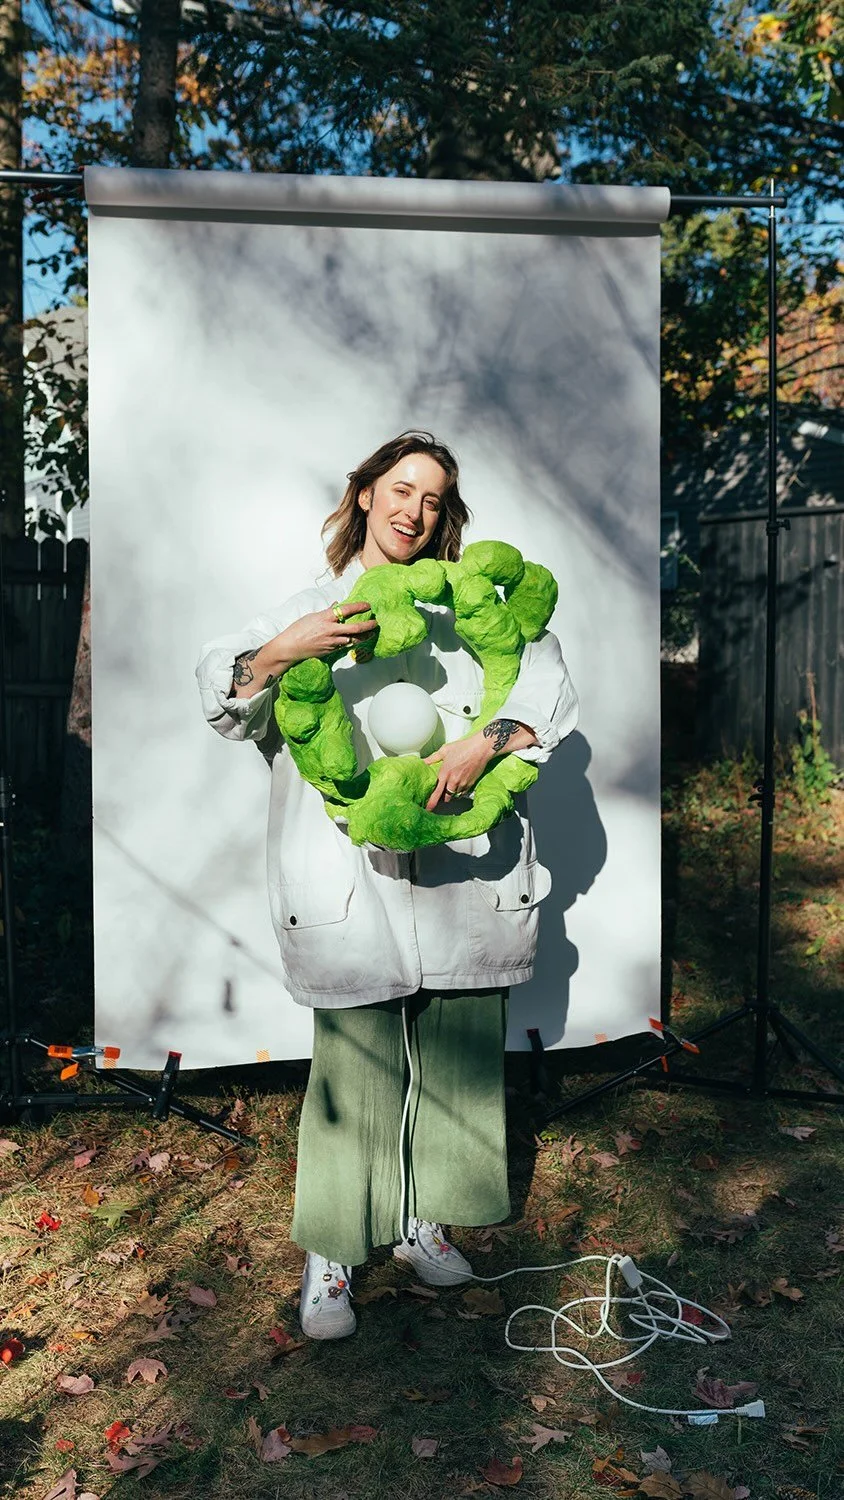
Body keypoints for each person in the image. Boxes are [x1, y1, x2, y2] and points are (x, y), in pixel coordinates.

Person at [196, 431, 578, 1340]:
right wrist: (283, 650)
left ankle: (423, 1222)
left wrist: (486, 742)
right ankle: (332, 1255)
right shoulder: (309, 609)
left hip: (461, 867)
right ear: (365, 493)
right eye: (401, 489)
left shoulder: (467, 610)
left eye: (433, 499)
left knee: (454, 1050)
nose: (414, 510)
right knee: (356, 1062)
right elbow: (222, 698)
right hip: (346, 874)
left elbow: (550, 687)